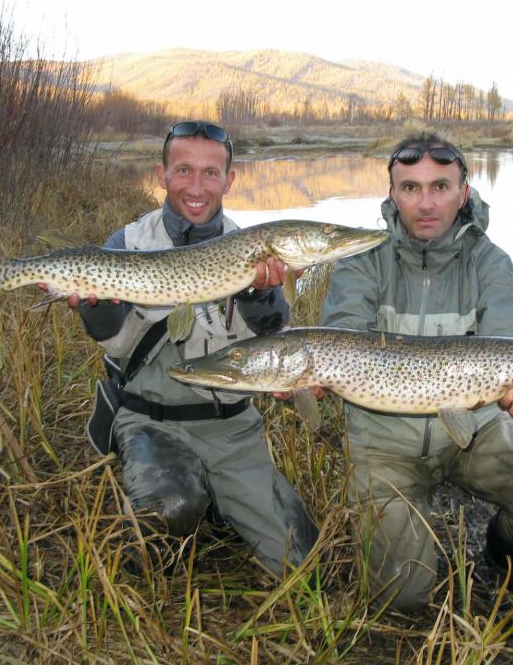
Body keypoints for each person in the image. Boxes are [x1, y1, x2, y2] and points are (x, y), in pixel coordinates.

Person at [319, 132, 513, 612]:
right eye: (410, 188)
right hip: (385, 445)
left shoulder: (490, 262)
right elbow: (340, 332)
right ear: (392, 195)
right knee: (403, 598)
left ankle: (506, 552)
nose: (426, 202)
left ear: (463, 192)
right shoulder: (361, 260)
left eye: (440, 186)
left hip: (476, 430)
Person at [53, 120, 318, 577]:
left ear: (229, 180)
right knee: (170, 510)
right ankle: (173, 493)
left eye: (210, 174)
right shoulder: (128, 243)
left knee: (303, 563)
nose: (196, 187)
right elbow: (110, 338)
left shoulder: (255, 247)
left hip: (231, 429)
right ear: (162, 174)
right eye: (183, 171)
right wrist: (93, 305)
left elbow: (275, 335)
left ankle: (222, 498)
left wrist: (259, 293)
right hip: (152, 420)